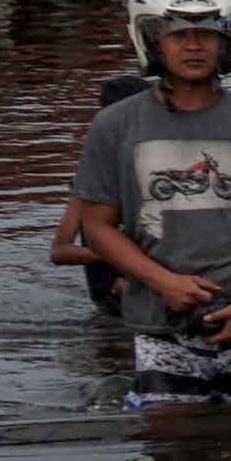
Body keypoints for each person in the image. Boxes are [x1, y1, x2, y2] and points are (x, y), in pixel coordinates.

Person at [68, 0, 231, 409]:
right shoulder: (113, 127)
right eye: (178, 33)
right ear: (152, 40)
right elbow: (98, 226)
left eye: (208, 32)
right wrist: (163, 282)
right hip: (160, 323)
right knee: (170, 453)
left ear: (228, 39)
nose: (194, 44)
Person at [47, 72, 154, 315]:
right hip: (119, 294)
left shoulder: (162, 167)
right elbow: (59, 252)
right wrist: (113, 253)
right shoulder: (90, 179)